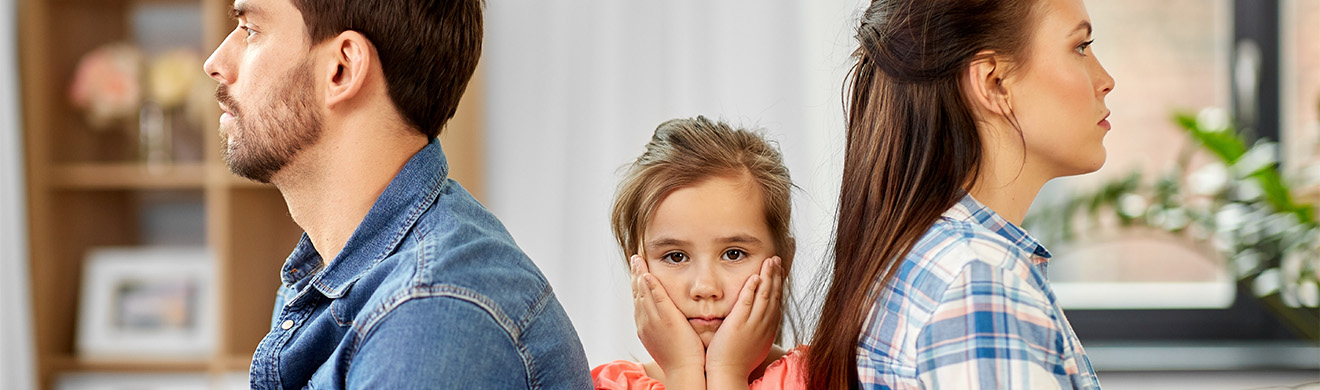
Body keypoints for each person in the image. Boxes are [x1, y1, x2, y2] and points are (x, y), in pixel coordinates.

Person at [202, 0, 591, 388]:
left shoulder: (429, 317)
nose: (215, 62)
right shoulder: (335, 272)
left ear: (342, 69)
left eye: (250, 30)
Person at [808, 0, 1116, 388]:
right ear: (993, 82)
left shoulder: (926, 256)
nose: (1105, 79)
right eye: (1081, 47)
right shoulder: (979, 283)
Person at [594, 117, 807, 389]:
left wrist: (727, 372)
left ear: (785, 260)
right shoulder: (605, 386)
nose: (705, 287)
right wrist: (684, 370)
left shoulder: (828, 377)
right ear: (636, 265)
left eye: (733, 254)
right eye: (676, 256)